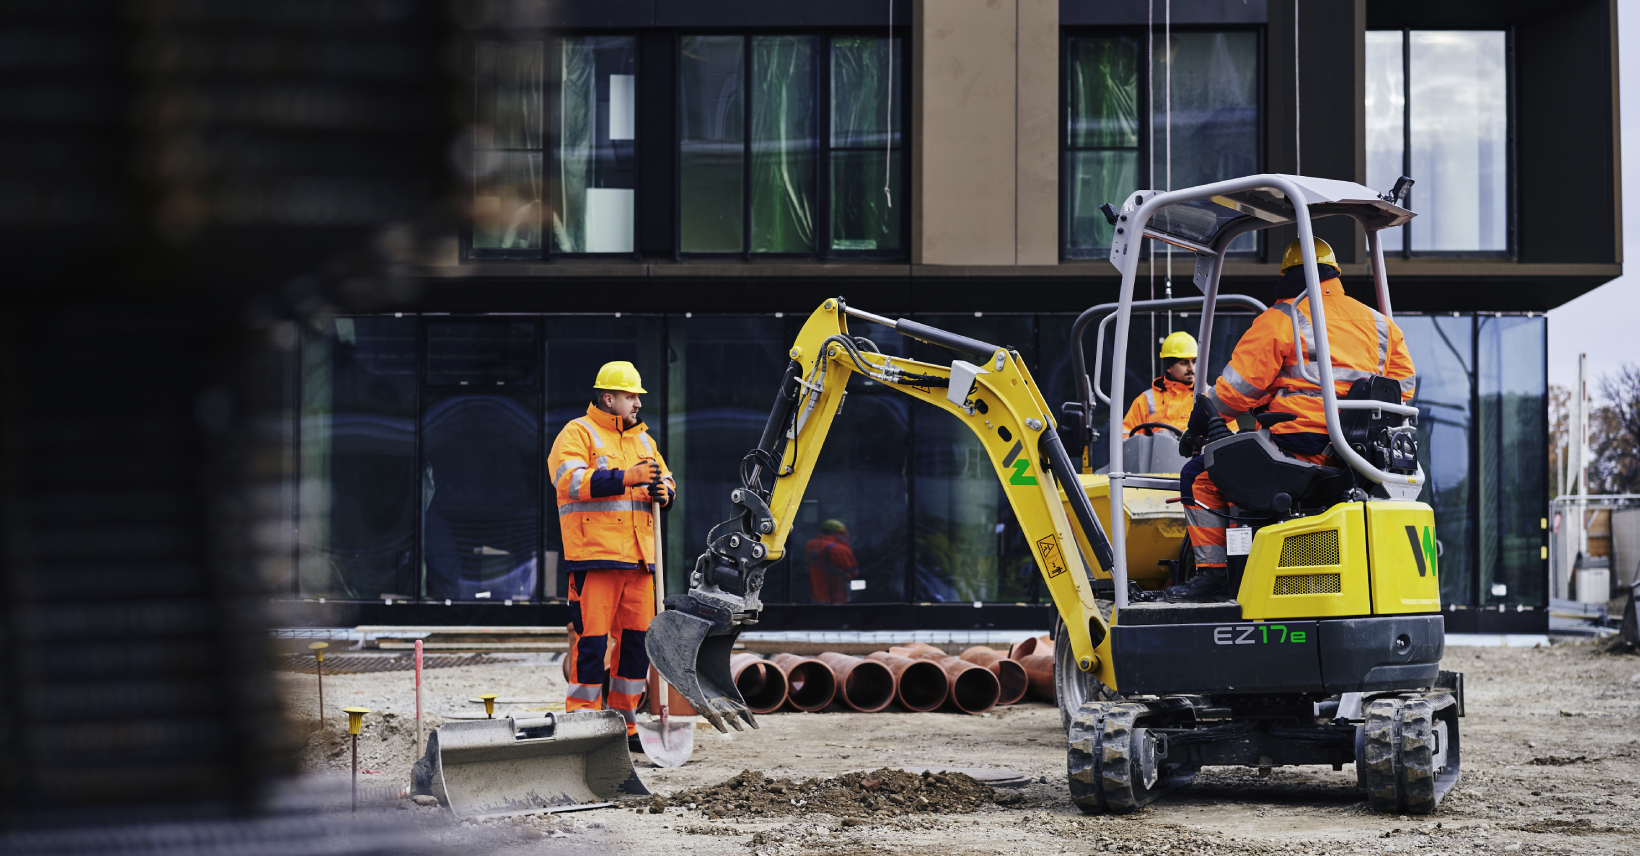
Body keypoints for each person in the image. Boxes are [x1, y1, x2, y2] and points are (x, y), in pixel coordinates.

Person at [1166, 237, 1416, 603]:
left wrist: (1203, 420)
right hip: (1358, 456)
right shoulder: (1380, 324)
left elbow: (1236, 391)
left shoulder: (1282, 318)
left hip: (1302, 446)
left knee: (1201, 475)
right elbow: (1402, 390)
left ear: (1288, 275)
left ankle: (1214, 577)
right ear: (1334, 274)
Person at [548, 360, 675, 747]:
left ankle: (626, 724)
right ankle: (583, 725)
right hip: (596, 557)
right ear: (608, 397)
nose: (637, 403)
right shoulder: (577, 432)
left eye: (637, 396)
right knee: (591, 643)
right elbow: (568, 480)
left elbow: (666, 480)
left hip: (640, 561)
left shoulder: (643, 440)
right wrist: (626, 478)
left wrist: (665, 492)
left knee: (636, 647)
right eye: (629, 396)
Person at [1120, 331, 1199, 436]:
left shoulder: (1209, 396)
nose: (1191, 368)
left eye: (1194, 361)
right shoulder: (1146, 400)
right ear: (1168, 367)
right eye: (1184, 363)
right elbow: (1125, 435)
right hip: (1157, 452)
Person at [805, 519, 858, 604]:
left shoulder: (810, 544)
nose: (846, 535)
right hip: (836, 596)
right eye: (842, 533)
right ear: (835, 532)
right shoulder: (839, 549)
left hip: (815, 595)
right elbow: (853, 573)